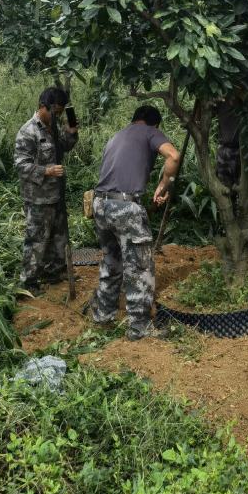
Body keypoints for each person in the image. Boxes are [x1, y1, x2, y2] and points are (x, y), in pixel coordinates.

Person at [89, 104, 180, 339]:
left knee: (112, 261)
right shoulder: (149, 132)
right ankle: (139, 327)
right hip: (125, 206)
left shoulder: (116, 136)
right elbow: (173, 156)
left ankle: (103, 316)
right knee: (139, 265)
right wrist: (164, 183)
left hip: (99, 204)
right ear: (152, 123)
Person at [14, 86, 78, 293]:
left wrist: (70, 133)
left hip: (56, 194)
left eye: (60, 112)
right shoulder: (28, 131)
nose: (58, 116)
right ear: (43, 107)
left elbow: (63, 147)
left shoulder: (53, 127)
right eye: (56, 112)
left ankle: (54, 273)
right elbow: (21, 166)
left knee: (59, 237)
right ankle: (28, 284)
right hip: (39, 198)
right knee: (37, 241)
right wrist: (46, 171)